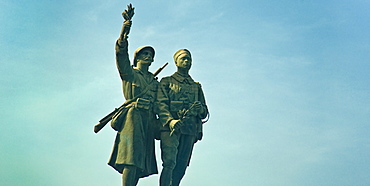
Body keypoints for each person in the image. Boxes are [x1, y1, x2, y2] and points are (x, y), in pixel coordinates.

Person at [107, 4, 158, 186]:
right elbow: (121, 55)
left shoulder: (154, 81)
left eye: (150, 54)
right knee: (131, 157)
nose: (148, 56)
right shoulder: (130, 73)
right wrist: (124, 32)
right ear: (137, 57)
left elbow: (160, 103)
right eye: (144, 53)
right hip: (133, 117)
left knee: (141, 160)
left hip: (148, 120)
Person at [156, 49, 209, 186]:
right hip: (171, 129)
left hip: (190, 129)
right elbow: (160, 105)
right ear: (176, 62)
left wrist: (199, 109)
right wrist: (170, 121)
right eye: (183, 59)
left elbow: (205, 112)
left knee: (181, 166)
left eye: (189, 59)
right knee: (169, 163)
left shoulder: (196, 86)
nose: (187, 62)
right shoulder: (166, 82)